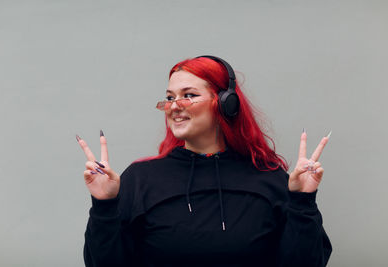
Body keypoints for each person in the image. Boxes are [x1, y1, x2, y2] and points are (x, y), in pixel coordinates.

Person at [77, 55, 332, 266]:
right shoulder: (140, 179)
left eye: (188, 94)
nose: (175, 105)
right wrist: (104, 205)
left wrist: (302, 201)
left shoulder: (268, 178)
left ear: (224, 103)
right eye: (169, 98)